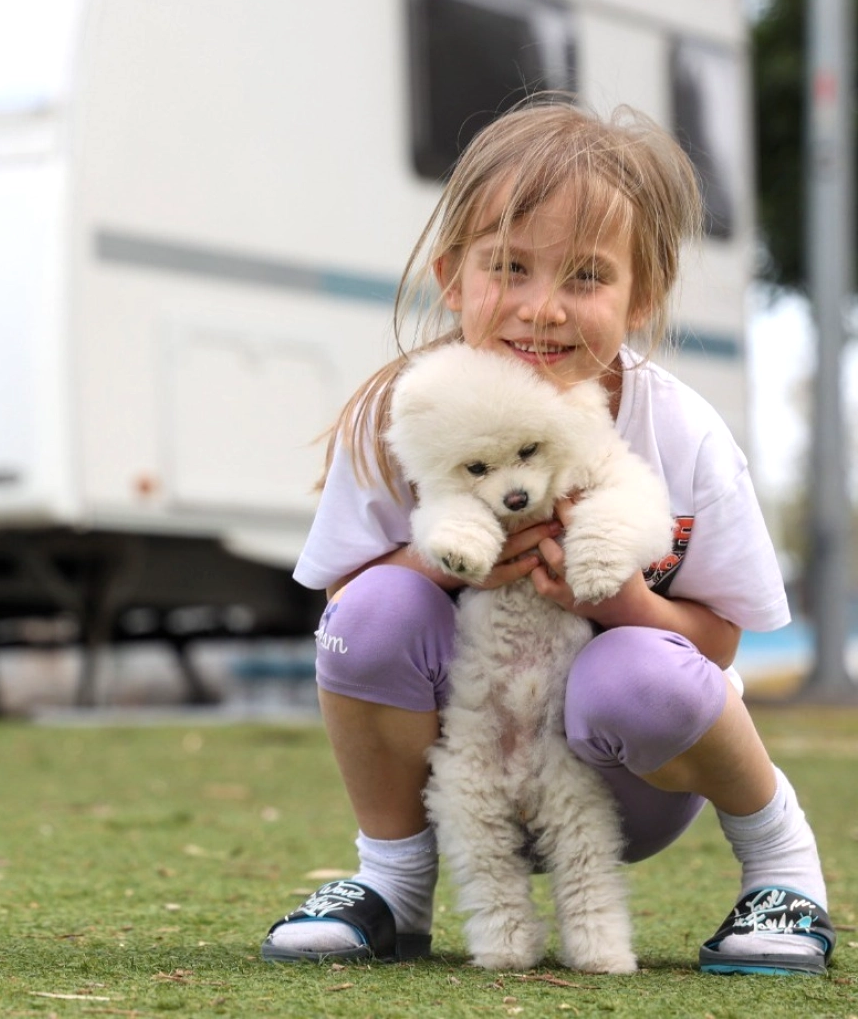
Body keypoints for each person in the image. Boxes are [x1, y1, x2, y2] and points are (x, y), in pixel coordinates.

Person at [260, 100, 834, 976]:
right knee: (376, 610)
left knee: (638, 673)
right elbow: (349, 614)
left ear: (642, 297)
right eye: (510, 267)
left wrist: (624, 600)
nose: (543, 309)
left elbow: (721, 640)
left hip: (628, 780)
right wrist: (449, 564)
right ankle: (392, 883)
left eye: (586, 277)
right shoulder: (402, 415)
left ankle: (782, 867)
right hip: (465, 760)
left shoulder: (681, 432)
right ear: (454, 278)